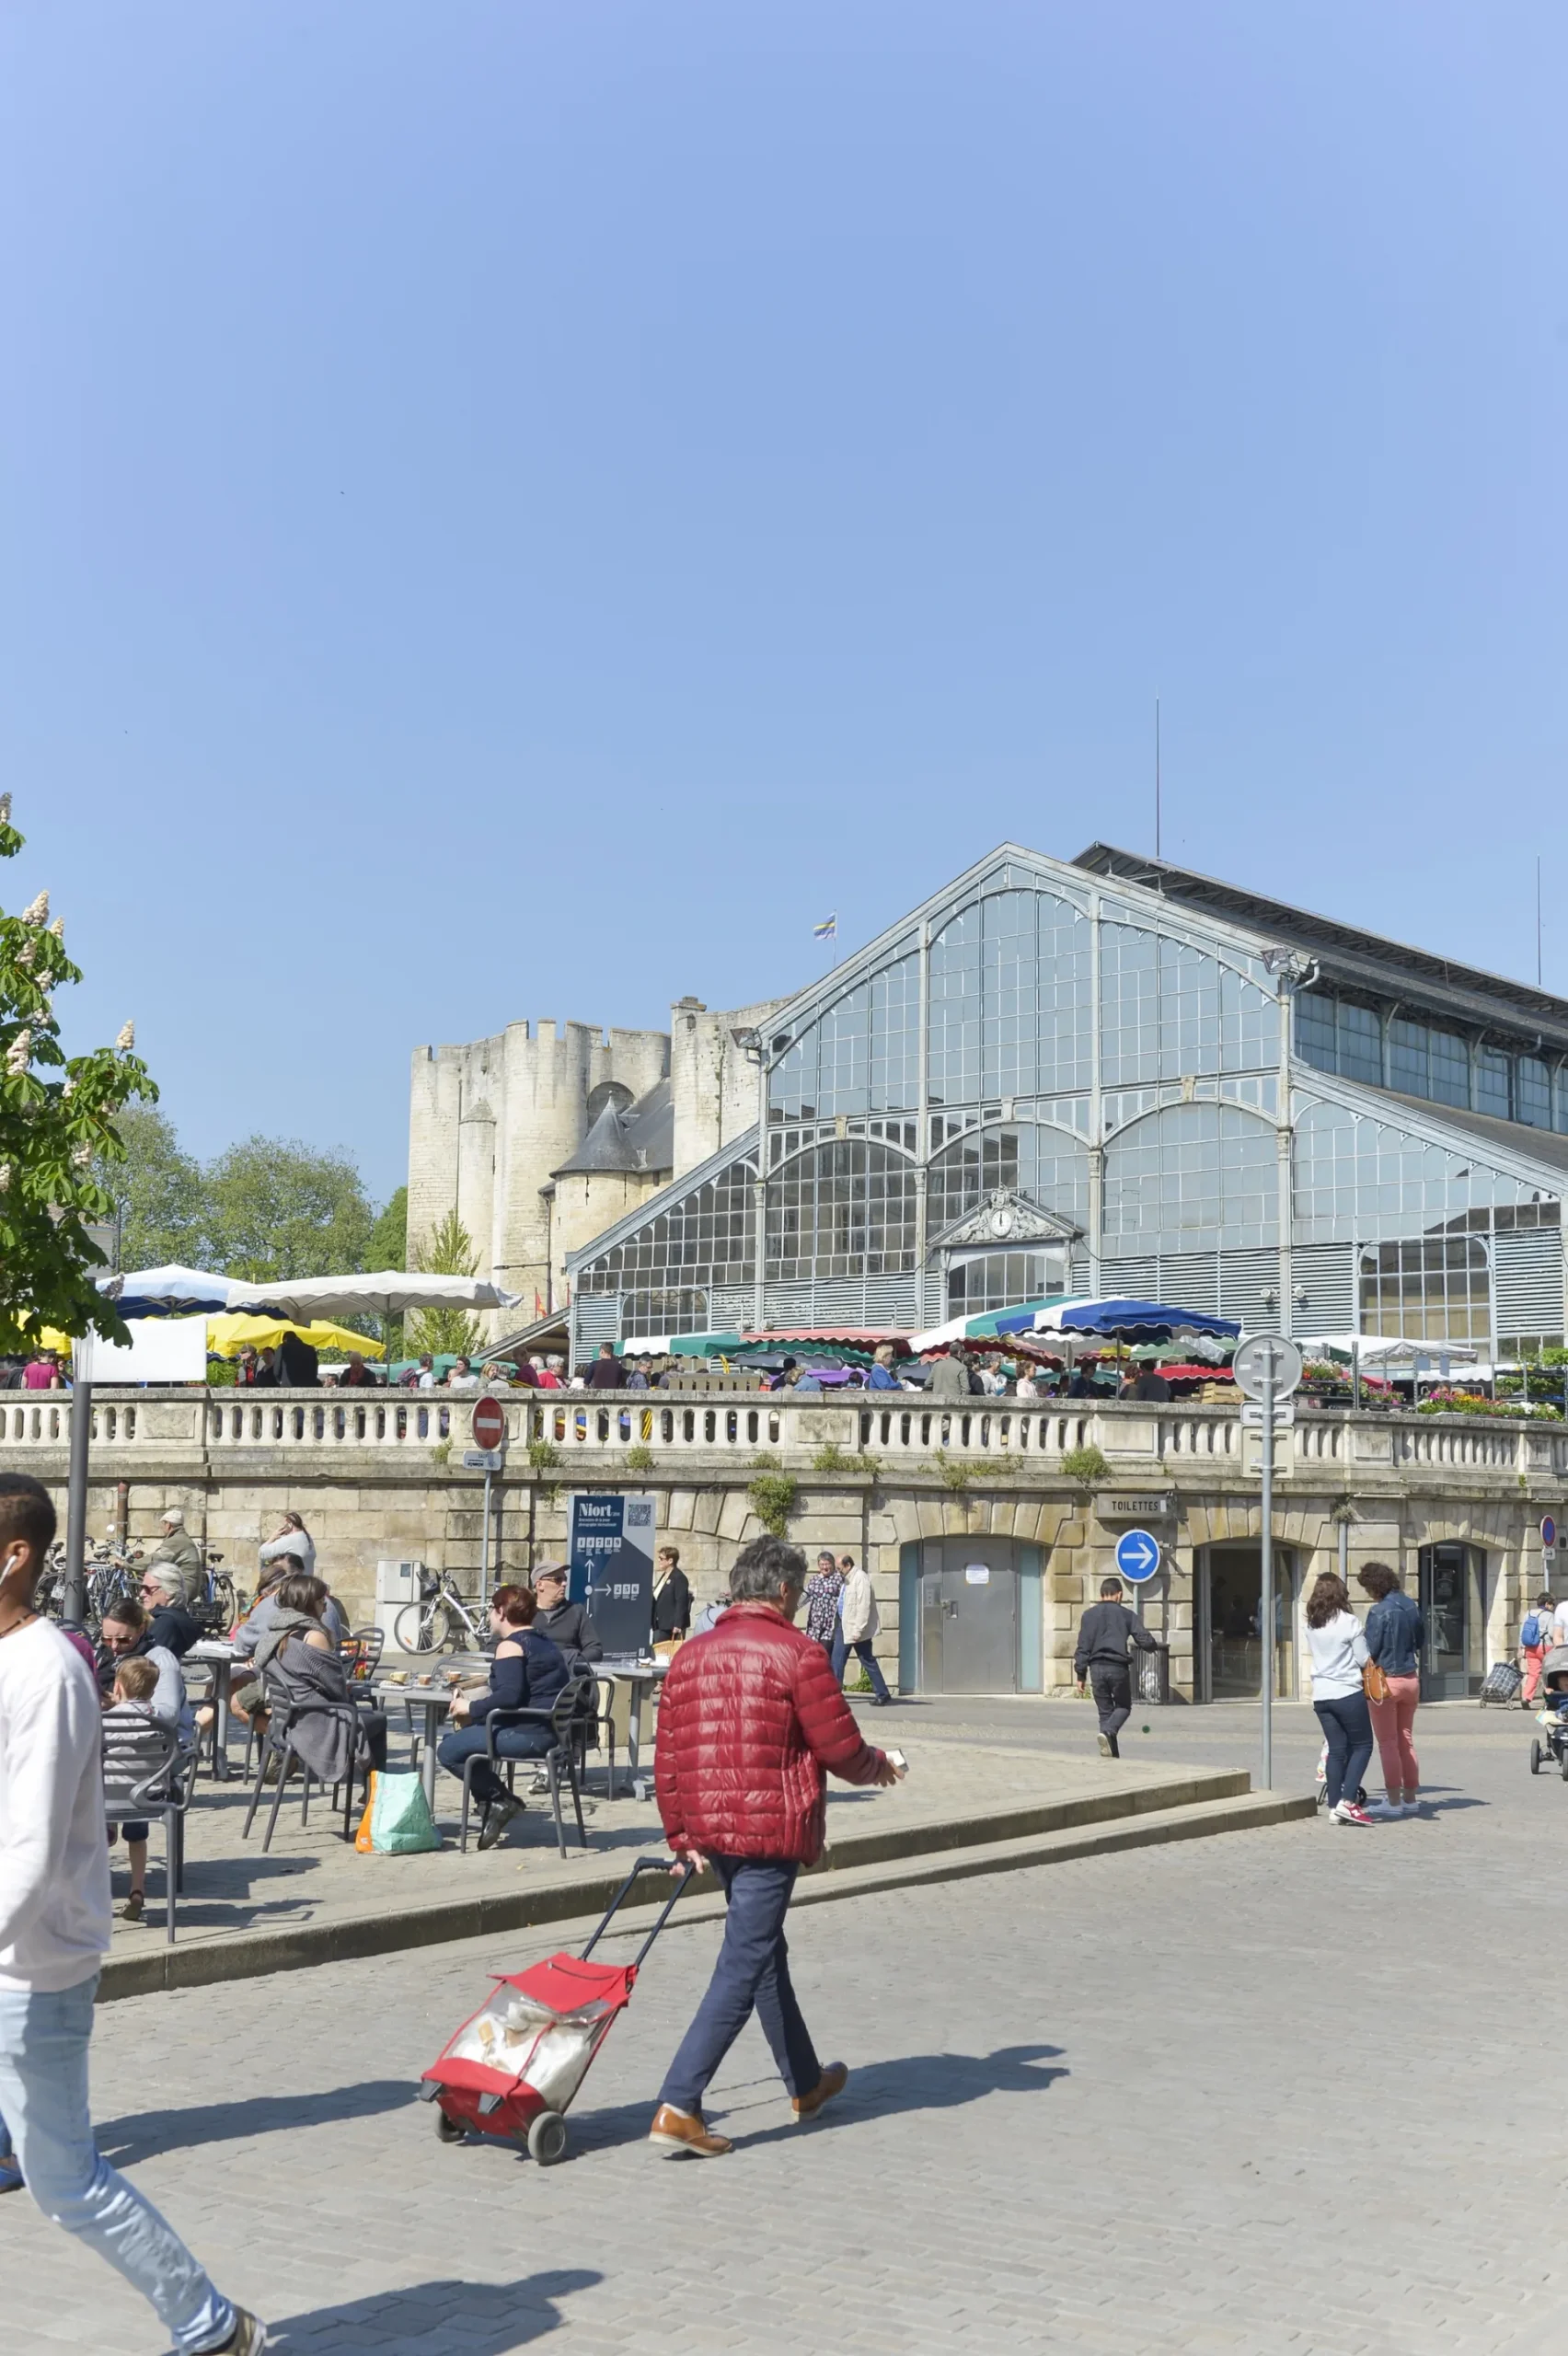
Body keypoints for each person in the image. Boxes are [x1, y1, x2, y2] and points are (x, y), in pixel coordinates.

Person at [0, 1472, 265, 2350]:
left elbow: (30, 1852)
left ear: (15, 1556)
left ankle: (212, 2327)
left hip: (30, 1967)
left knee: (65, 2180)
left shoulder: (46, 1672)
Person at [647, 1535, 904, 2157]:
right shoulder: (799, 1654)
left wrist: (680, 1833)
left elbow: (670, 1756)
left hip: (711, 1828)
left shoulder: (689, 1655)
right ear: (785, 1591)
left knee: (763, 1953)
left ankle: (806, 2082)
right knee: (743, 1963)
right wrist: (881, 1768)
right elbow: (839, 1749)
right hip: (768, 1832)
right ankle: (680, 2102)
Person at [436, 1586, 569, 1848]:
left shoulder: (510, 1646)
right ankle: (491, 1806)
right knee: (462, 1741)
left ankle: (501, 1800)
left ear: (501, 1613)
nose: (490, 1616)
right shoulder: (543, 1640)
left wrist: (470, 1707)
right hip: (549, 1731)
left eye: (491, 1611)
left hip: (525, 1734)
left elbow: (510, 1696)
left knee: (448, 1750)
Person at [253, 1574, 387, 1789]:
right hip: (316, 1722)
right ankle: (375, 1791)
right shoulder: (314, 1637)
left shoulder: (274, 1635)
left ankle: (372, 1787)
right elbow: (336, 1689)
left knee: (364, 1717)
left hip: (286, 1723)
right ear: (308, 1603)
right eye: (322, 1602)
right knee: (378, 1719)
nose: (326, 1608)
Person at [100, 1654, 171, 1924]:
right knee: (137, 1836)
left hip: (107, 1798)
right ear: (153, 1690)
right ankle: (137, 1890)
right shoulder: (161, 1721)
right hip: (145, 1799)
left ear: (118, 1687)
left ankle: (95, 1887)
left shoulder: (108, 1721)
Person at [1306, 1571, 1376, 1827]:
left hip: (1321, 1695)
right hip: (1347, 1691)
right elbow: (1362, 1659)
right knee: (1363, 1745)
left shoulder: (1312, 1624)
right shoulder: (1349, 1622)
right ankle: (1348, 1801)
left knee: (1336, 1750)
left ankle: (1335, 1807)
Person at [1358, 1563, 1424, 1818]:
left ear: (1374, 1586)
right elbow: (1421, 1641)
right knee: (1406, 1739)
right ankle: (1410, 1797)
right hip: (1410, 1679)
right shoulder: (1411, 1606)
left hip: (1386, 1682)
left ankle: (1393, 1800)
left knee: (1387, 1742)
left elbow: (1370, 1650)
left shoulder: (1378, 1611)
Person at [1073, 1577, 1159, 1758]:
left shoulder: (1088, 1615)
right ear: (1119, 1595)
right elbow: (1144, 1640)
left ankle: (1111, 1754)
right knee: (1123, 1707)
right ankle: (1108, 1733)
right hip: (1117, 1668)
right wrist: (1152, 1646)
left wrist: (1080, 1674)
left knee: (1105, 1713)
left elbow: (1083, 1646)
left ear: (1101, 1594)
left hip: (1095, 1668)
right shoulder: (1127, 1615)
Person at [98, 1599, 194, 1748]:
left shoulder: (158, 1659)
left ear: (141, 1630)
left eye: (123, 1639)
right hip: (111, 1742)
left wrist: (121, 1704)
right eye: (107, 1639)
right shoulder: (101, 1657)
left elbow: (169, 1715)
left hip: (160, 1748)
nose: (114, 1646)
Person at [832, 1554, 893, 1704]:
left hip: (856, 1628)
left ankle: (882, 1693)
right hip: (844, 1625)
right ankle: (834, 1695)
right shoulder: (847, 1579)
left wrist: (858, 1630)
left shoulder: (861, 1578)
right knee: (837, 1661)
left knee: (867, 1661)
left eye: (839, 1568)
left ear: (847, 1565)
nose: (838, 1572)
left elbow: (864, 1607)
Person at [530, 1563, 603, 1662]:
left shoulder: (576, 1611)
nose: (564, 1584)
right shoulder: (524, 1613)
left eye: (565, 1579)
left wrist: (571, 1661)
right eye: (558, 1580)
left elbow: (595, 1650)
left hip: (570, 1675)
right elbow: (504, 1644)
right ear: (540, 1585)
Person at [145, 1507, 202, 1607]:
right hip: (188, 1583)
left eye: (163, 1524)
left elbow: (154, 1559)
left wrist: (126, 1564)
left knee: (157, 1596)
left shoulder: (177, 1541)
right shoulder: (181, 1538)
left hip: (185, 1585)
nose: (162, 1528)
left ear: (169, 1525)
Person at [801, 1551, 845, 1655]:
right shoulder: (815, 1580)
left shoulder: (839, 1578)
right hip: (814, 1626)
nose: (825, 1567)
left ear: (833, 1564)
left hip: (830, 1626)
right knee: (813, 1655)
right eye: (822, 1564)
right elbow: (805, 1596)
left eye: (827, 1564)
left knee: (825, 1653)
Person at [258, 1509, 316, 1583]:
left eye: (283, 1525)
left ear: (289, 1524)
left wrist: (272, 1537)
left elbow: (262, 1553)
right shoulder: (308, 1539)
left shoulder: (289, 1540)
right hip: (307, 1583)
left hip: (292, 1584)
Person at [651, 1545, 692, 1649]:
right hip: (659, 1624)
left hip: (670, 1626)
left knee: (664, 1654)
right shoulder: (665, 1576)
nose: (659, 1561)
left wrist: (678, 1625)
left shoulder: (679, 1578)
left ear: (670, 1561)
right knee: (657, 1651)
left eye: (661, 1558)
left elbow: (681, 1602)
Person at [1522, 1590, 1555, 1703]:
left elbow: (1523, 1632)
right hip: (1545, 1648)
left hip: (1530, 1648)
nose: (1552, 1607)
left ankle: (1526, 1697)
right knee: (1549, 1673)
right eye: (1552, 1604)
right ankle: (1550, 1698)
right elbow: (1551, 1633)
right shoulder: (1549, 1615)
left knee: (1533, 1674)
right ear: (1547, 1604)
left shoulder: (1529, 1613)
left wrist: (1521, 1648)